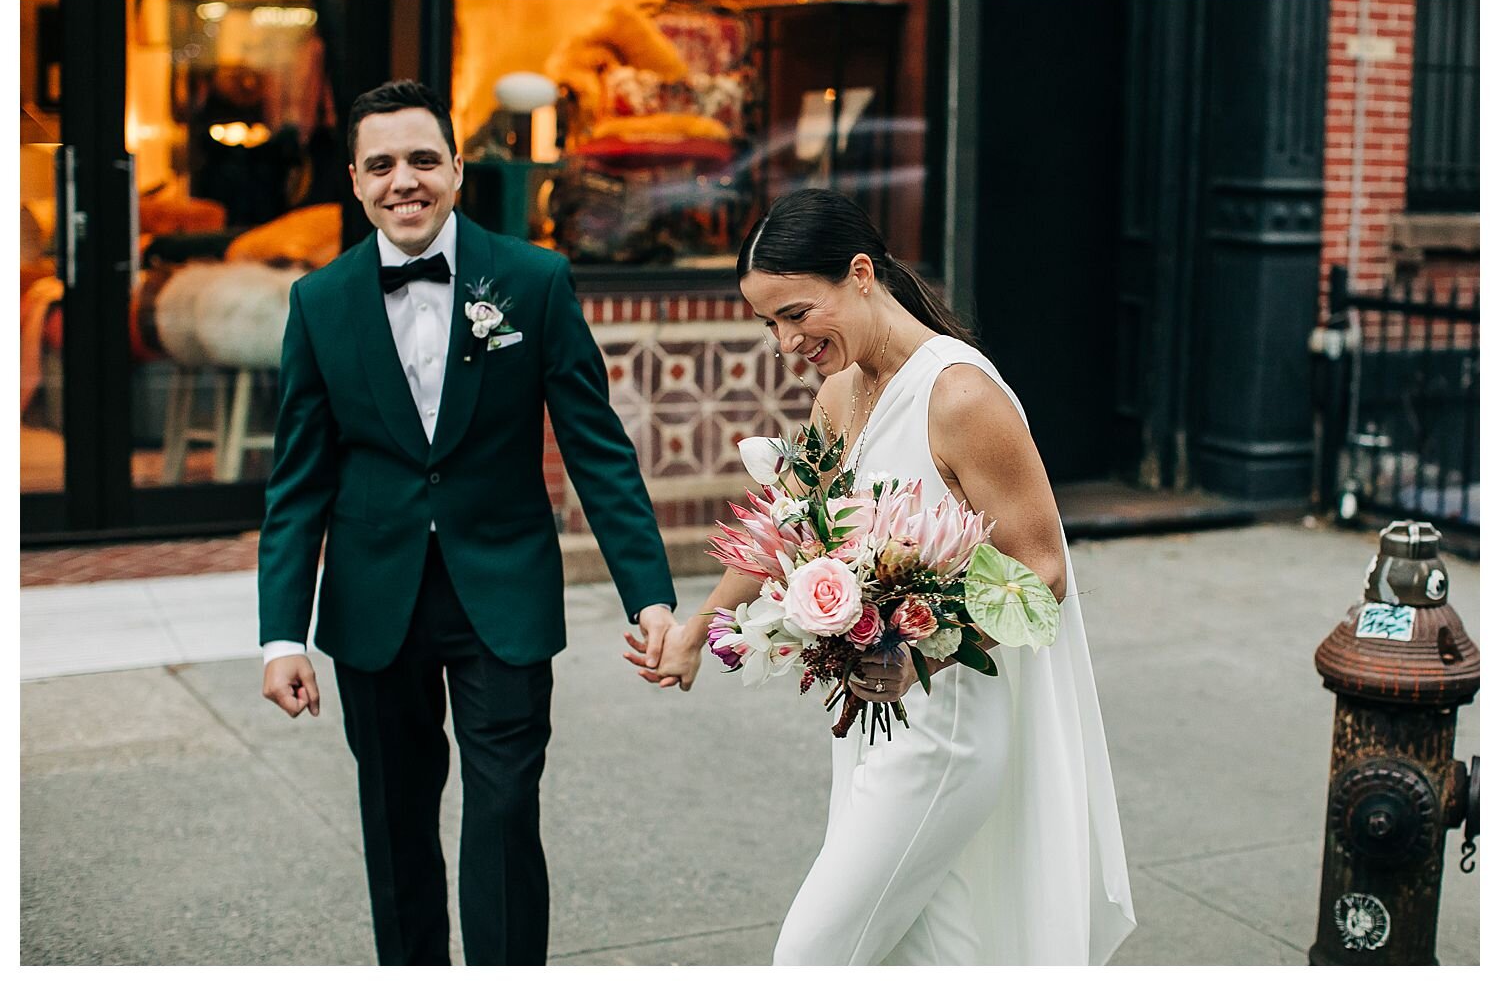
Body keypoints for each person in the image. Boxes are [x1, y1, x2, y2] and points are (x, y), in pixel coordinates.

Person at [626, 189, 1136, 964]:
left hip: (945, 730)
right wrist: (703, 625)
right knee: (932, 957)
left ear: (861, 273)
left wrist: (917, 651)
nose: (786, 342)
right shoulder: (841, 392)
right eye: (769, 324)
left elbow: (1044, 570)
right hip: (872, 723)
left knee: (812, 957)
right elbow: (787, 517)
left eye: (796, 313)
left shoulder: (961, 396)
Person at [257, 79, 676, 965]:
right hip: (375, 608)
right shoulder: (318, 303)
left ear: (455, 168)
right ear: (355, 180)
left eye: (420, 159)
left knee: (503, 818)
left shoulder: (532, 279)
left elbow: (598, 450)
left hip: (504, 596)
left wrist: (651, 595)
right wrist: (279, 636)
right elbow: (297, 483)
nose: (402, 180)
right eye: (380, 164)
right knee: (396, 827)